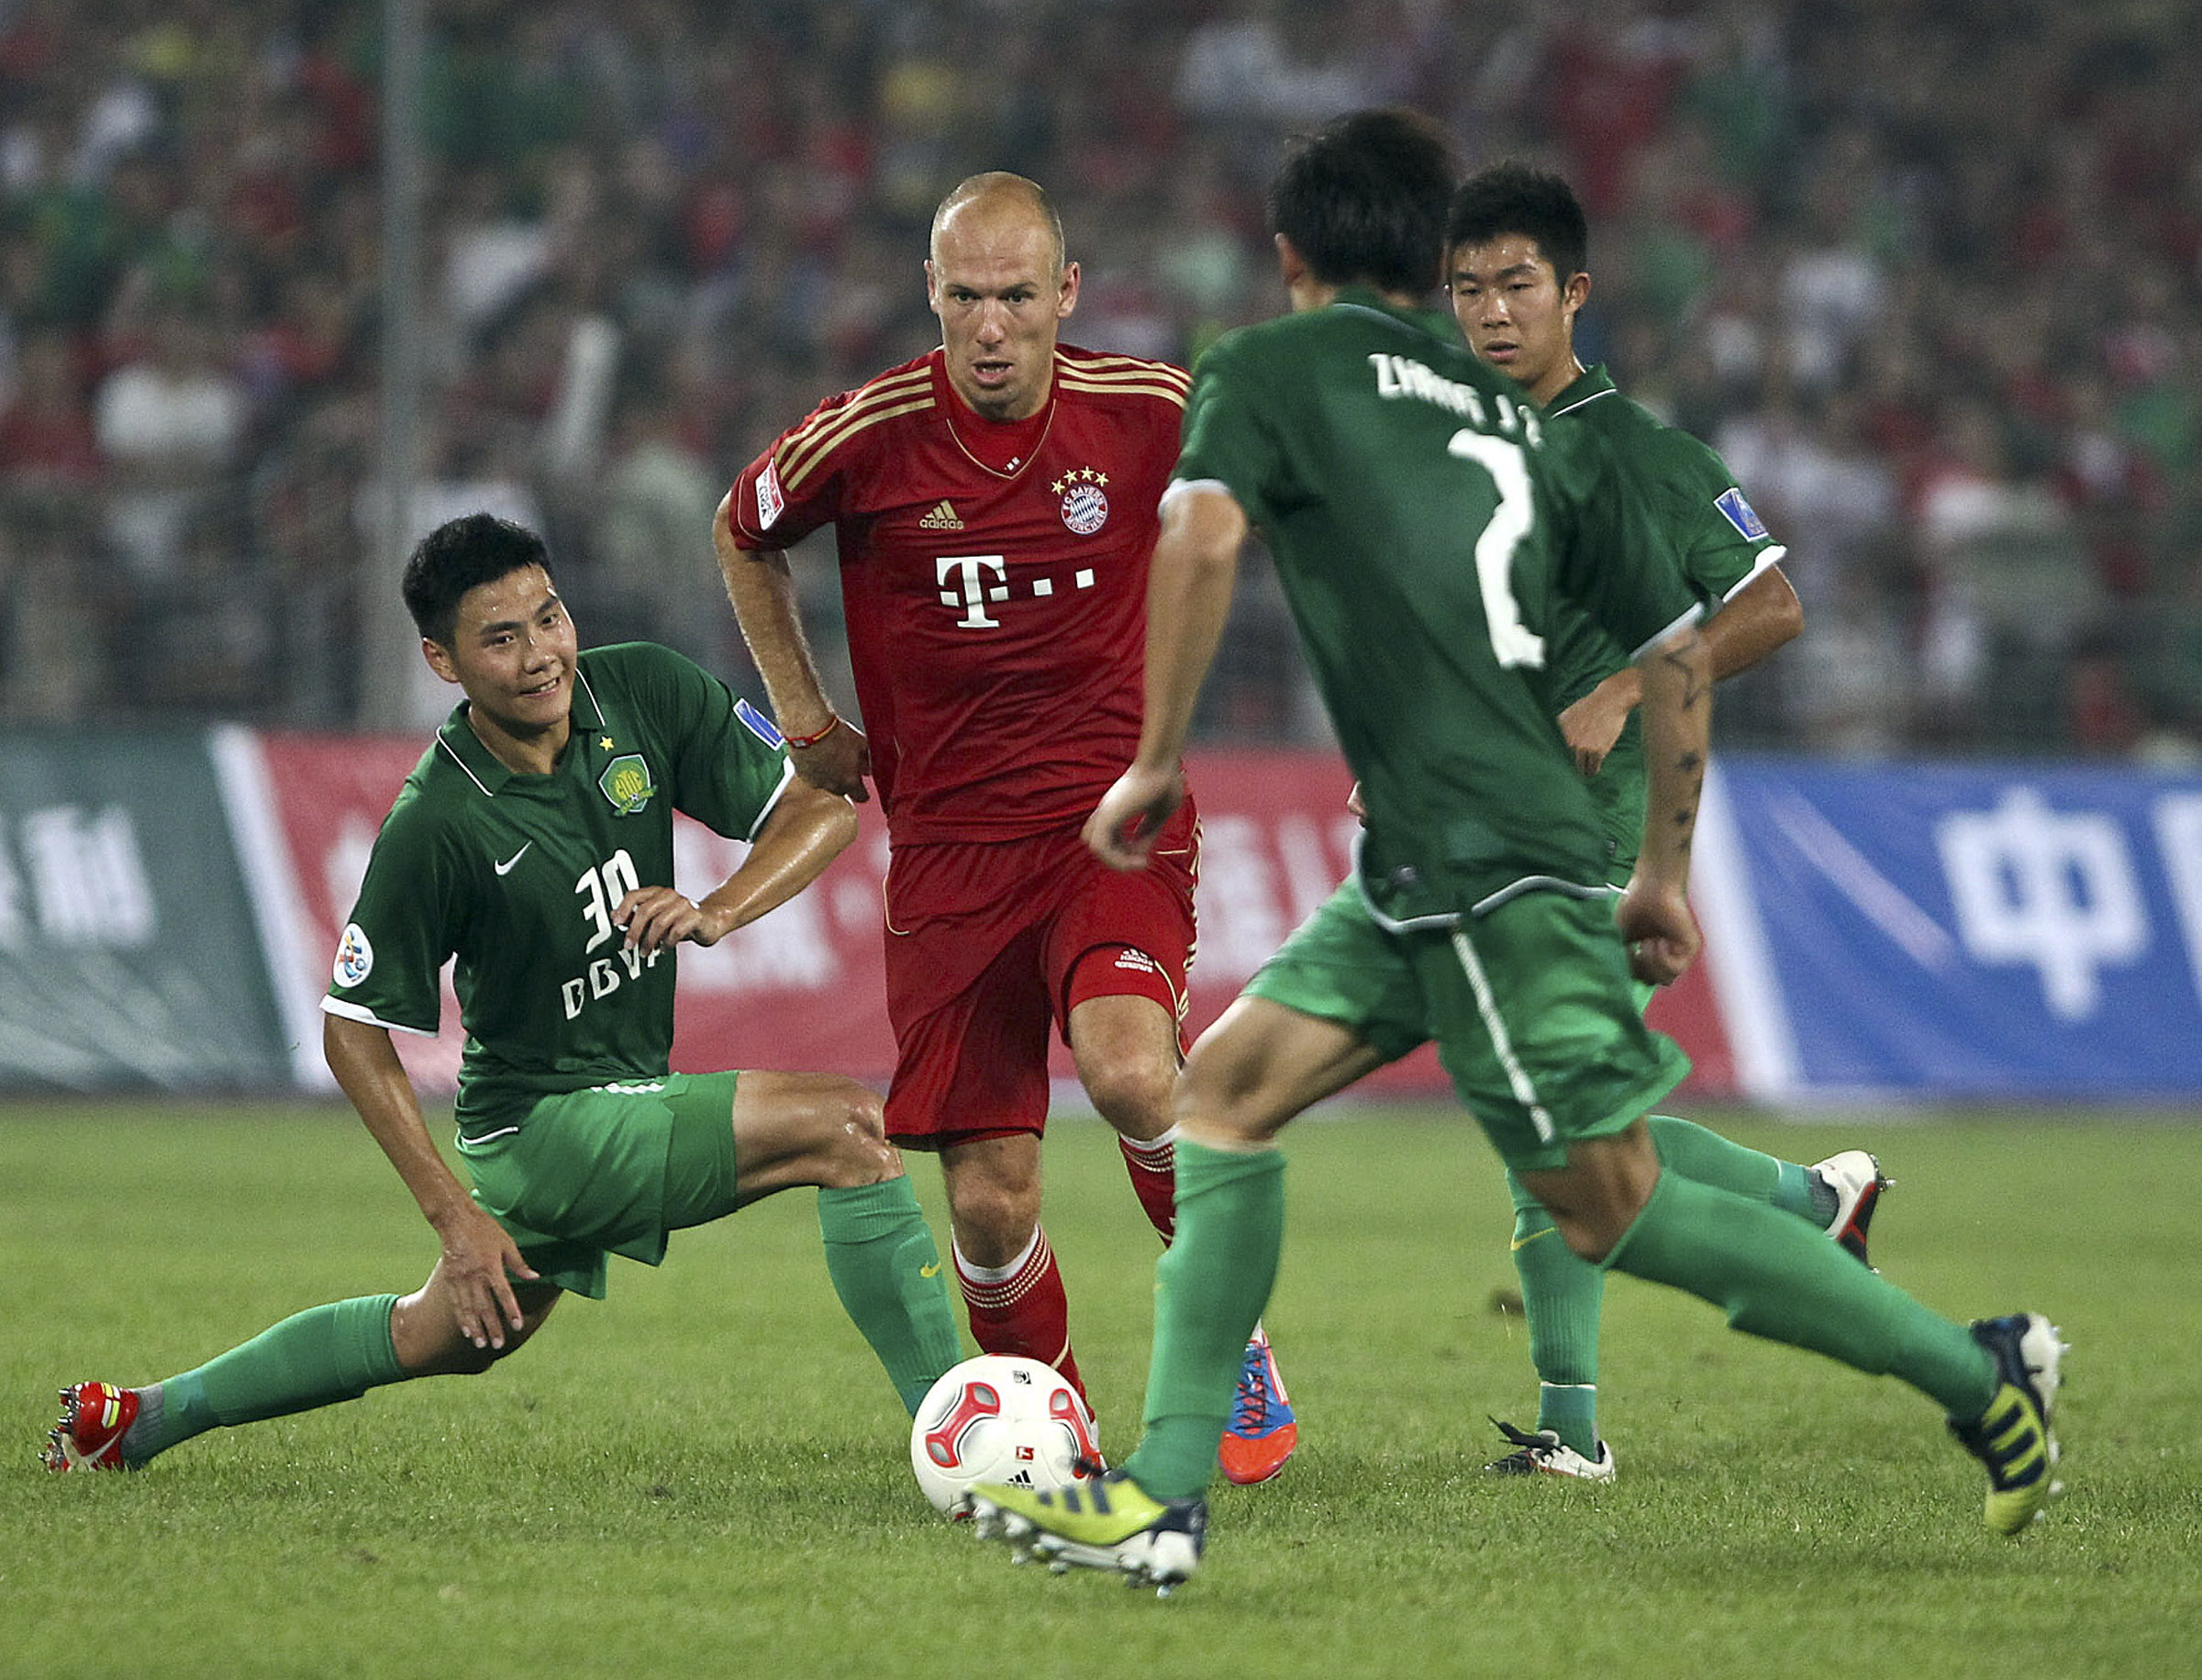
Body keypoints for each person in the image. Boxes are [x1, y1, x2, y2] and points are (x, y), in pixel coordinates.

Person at [965, 110, 2063, 1592]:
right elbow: (1680, 641)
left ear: (1289, 258)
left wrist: (1158, 756)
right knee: (1219, 1098)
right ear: (1433, 265)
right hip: (1437, 856)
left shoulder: (1271, 370)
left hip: (1489, 863)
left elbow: (1205, 539)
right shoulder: (1511, 421)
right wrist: (1667, 869)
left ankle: (1973, 1373)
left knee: (1609, 1201)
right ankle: (1166, 1493)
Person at [43, 512, 961, 1472]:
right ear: (443, 660)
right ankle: (961, 1438)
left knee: (443, 1334)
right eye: (501, 637)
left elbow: (819, 807)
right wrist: (454, 1216)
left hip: (608, 1092)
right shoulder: (436, 822)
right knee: (851, 1128)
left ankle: (144, 1418)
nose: (540, 655)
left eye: (549, 616)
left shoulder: (642, 687)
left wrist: (721, 907)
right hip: (541, 1128)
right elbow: (352, 1029)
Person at [714, 172, 1296, 1486]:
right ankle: (1058, 1432)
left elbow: (1284, 507)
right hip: (948, 855)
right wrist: (805, 718)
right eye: (965, 296)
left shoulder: (1151, 413)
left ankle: (1227, 1333)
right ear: (932, 293)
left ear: (1066, 295)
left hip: (1111, 816)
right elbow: (742, 530)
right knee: (988, 1200)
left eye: (1017, 297)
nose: (989, 326)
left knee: (1135, 1066)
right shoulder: (866, 435)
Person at [1443, 160, 1880, 1480]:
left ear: (1574, 294)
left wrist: (1629, 687)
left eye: (1517, 285)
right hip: (1484, 832)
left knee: (1556, 1129)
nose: (1491, 314)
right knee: (1578, 1133)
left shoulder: (1640, 451)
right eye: (1466, 290)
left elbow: (1772, 605)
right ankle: (1820, 1198)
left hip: (1593, 835)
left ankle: (1573, 1430)